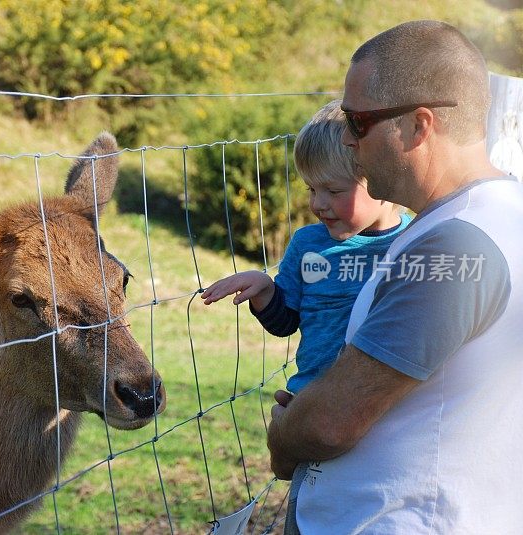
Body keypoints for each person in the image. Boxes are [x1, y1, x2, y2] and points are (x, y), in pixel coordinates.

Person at [266, 20, 523, 534]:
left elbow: (330, 423)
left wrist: (284, 437)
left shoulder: (457, 245)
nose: (346, 139)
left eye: (357, 121)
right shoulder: (491, 214)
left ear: (418, 125)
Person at [202, 100, 410, 520]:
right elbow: (287, 322)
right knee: (310, 508)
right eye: (311, 189)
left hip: (384, 413)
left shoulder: (413, 245)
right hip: (310, 406)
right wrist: (265, 292)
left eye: (334, 191)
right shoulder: (306, 245)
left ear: (384, 185)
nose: (319, 203)